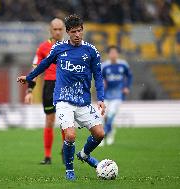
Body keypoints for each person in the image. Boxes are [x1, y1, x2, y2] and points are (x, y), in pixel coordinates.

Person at [17, 14, 106, 180]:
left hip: (83, 100)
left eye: (80, 31)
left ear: (83, 30)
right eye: (73, 32)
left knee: (100, 134)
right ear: (68, 32)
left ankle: (84, 154)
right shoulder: (59, 49)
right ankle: (69, 170)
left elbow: (98, 76)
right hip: (63, 99)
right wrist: (29, 77)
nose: (77, 35)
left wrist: (100, 98)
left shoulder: (91, 51)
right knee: (70, 135)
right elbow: (43, 63)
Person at [24, 18, 65, 165]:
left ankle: (65, 149)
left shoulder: (70, 47)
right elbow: (35, 69)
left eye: (61, 29)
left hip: (65, 86)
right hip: (49, 86)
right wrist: (29, 90)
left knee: (66, 120)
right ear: (50, 30)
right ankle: (47, 156)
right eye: (55, 29)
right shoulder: (42, 48)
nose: (58, 32)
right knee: (50, 120)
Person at [101, 45, 132, 145]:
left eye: (115, 52)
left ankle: (108, 134)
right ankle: (102, 136)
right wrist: (102, 83)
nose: (113, 54)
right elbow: (99, 78)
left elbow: (129, 76)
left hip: (118, 95)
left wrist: (126, 86)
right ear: (108, 54)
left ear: (118, 54)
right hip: (106, 94)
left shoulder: (123, 65)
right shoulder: (104, 66)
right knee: (103, 116)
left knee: (111, 114)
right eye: (111, 52)